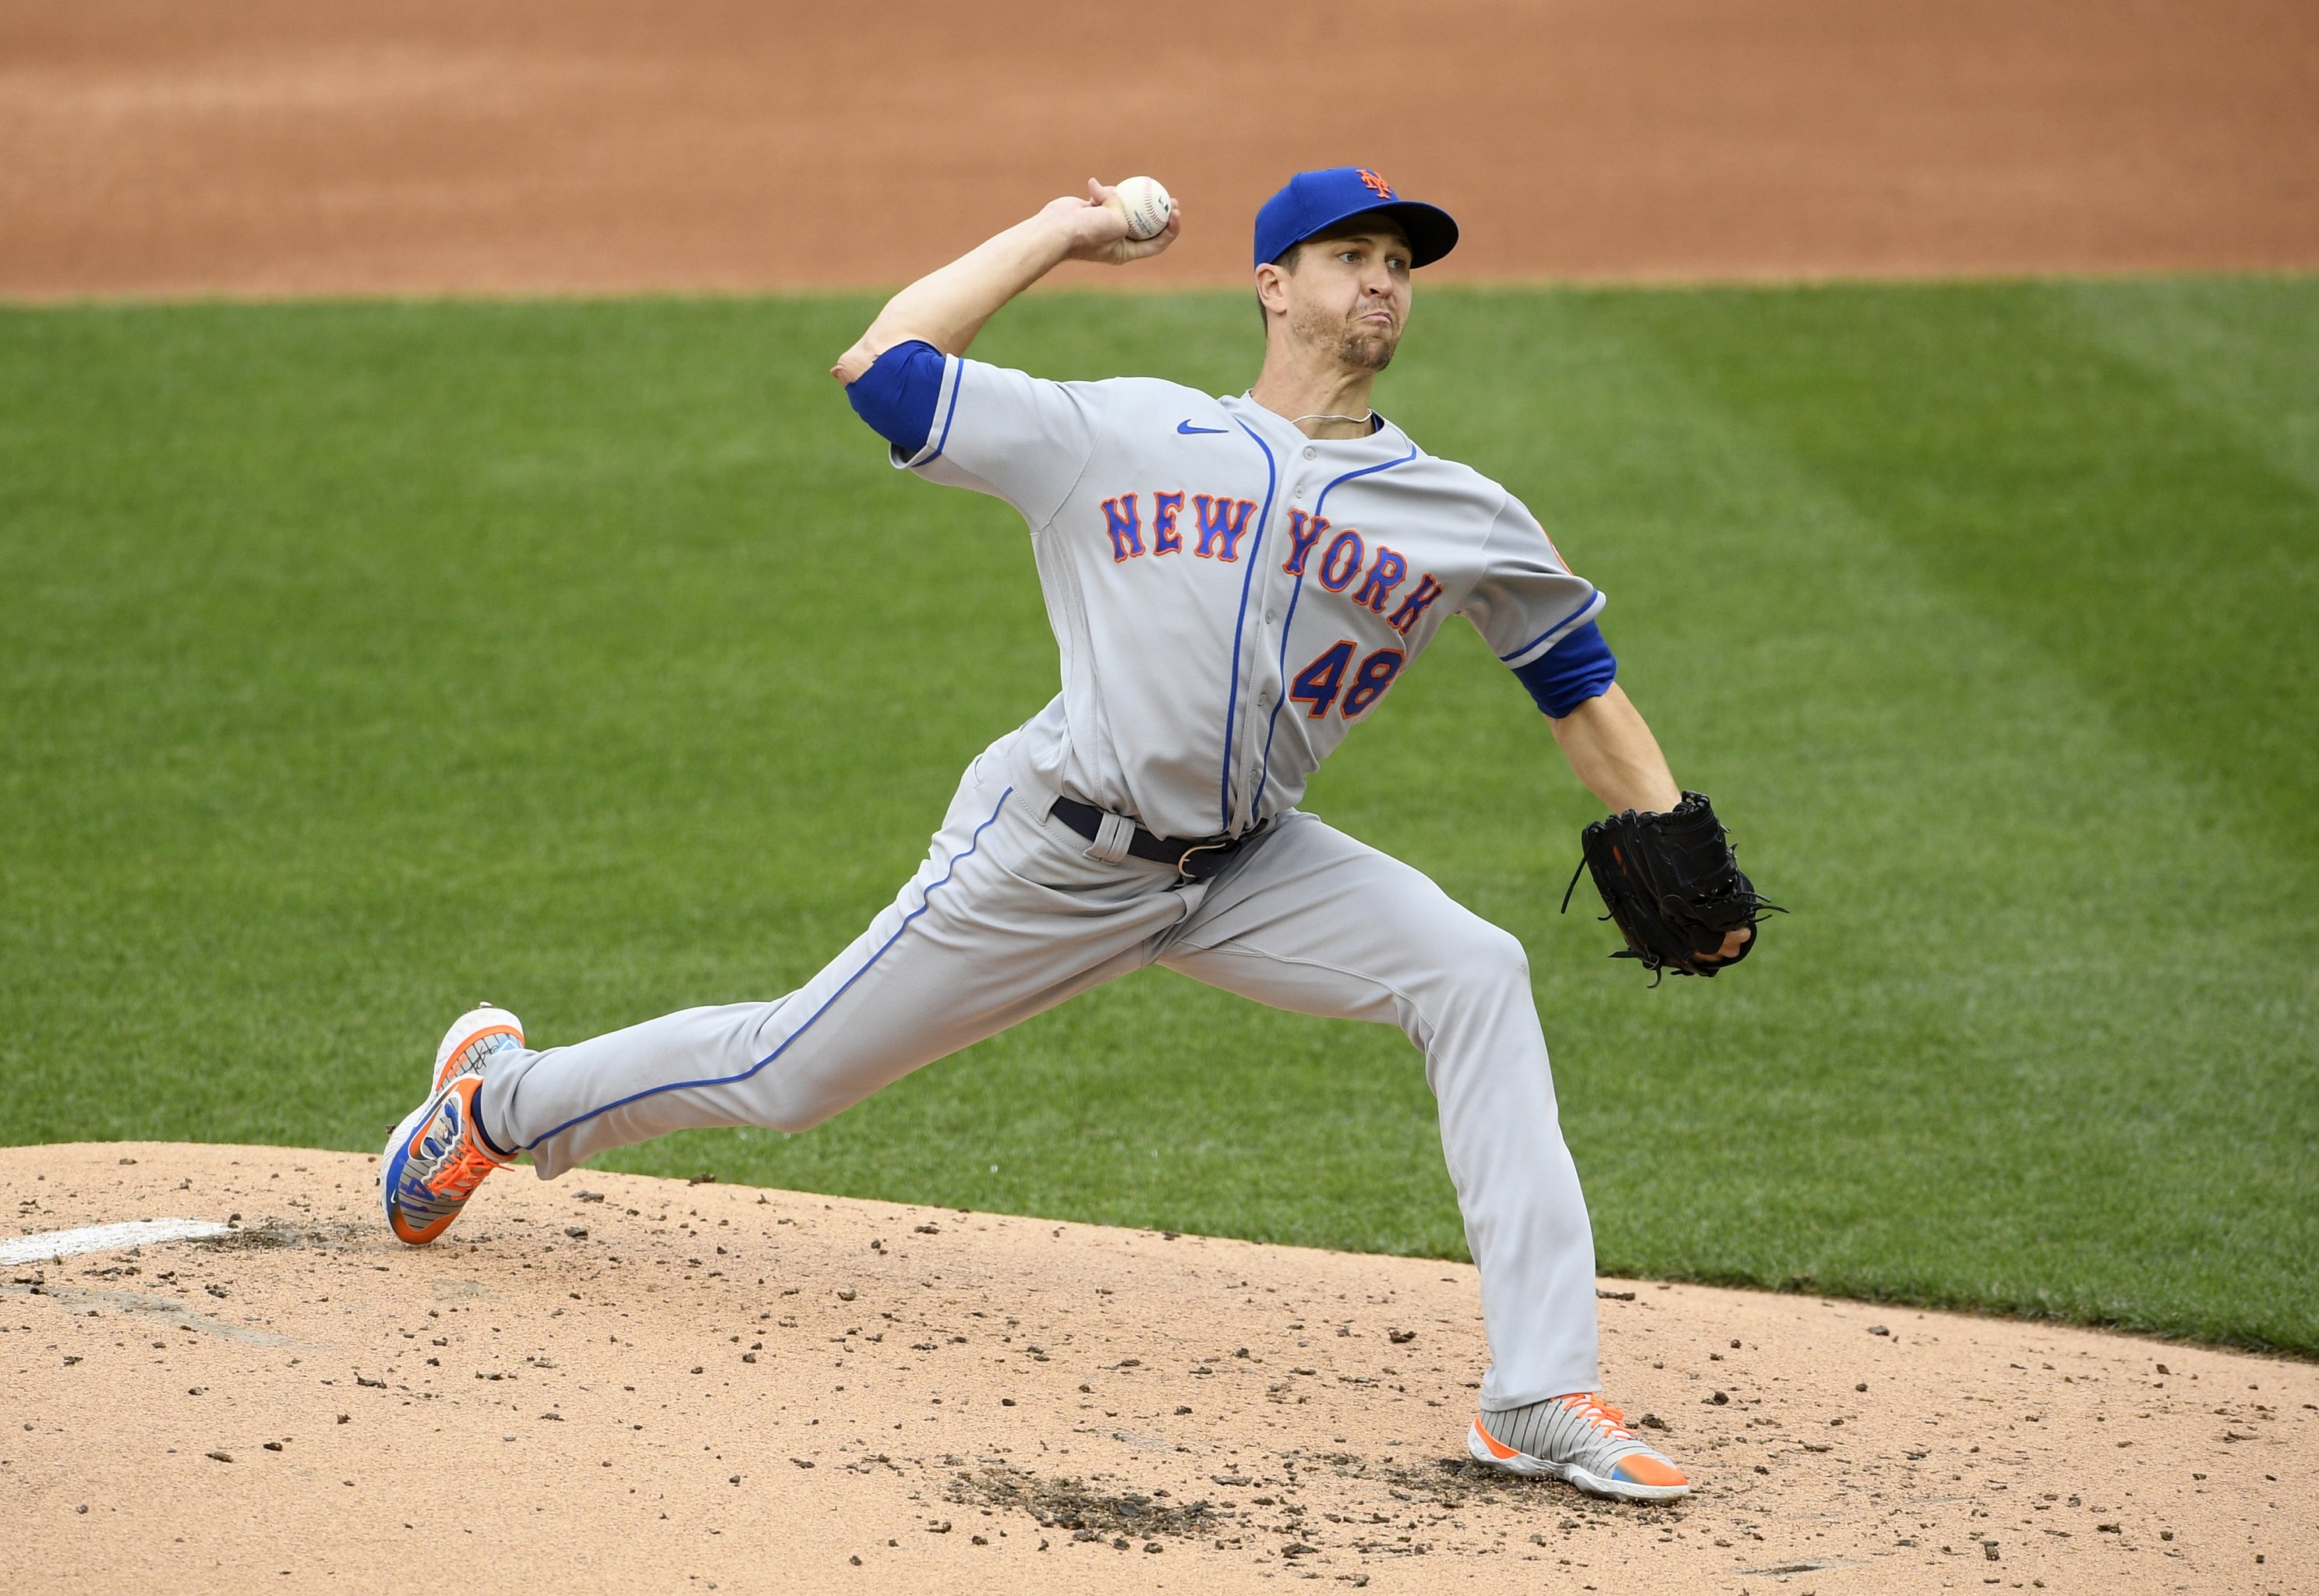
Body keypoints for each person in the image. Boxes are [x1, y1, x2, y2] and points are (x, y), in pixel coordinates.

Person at [381, 168, 1753, 1502]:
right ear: (1273, 288)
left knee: (1476, 974)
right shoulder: (1124, 433)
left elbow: (1575, 681)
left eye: (1400, 264)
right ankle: (496, 1106)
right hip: (1050, 856)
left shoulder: (1458, 511)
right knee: (786, 1073)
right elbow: (888, 371)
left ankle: (1536, 1394)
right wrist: (1061, 231)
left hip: (1253, 866)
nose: (1383, 282)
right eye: (1351, 258)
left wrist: (1665, 823)